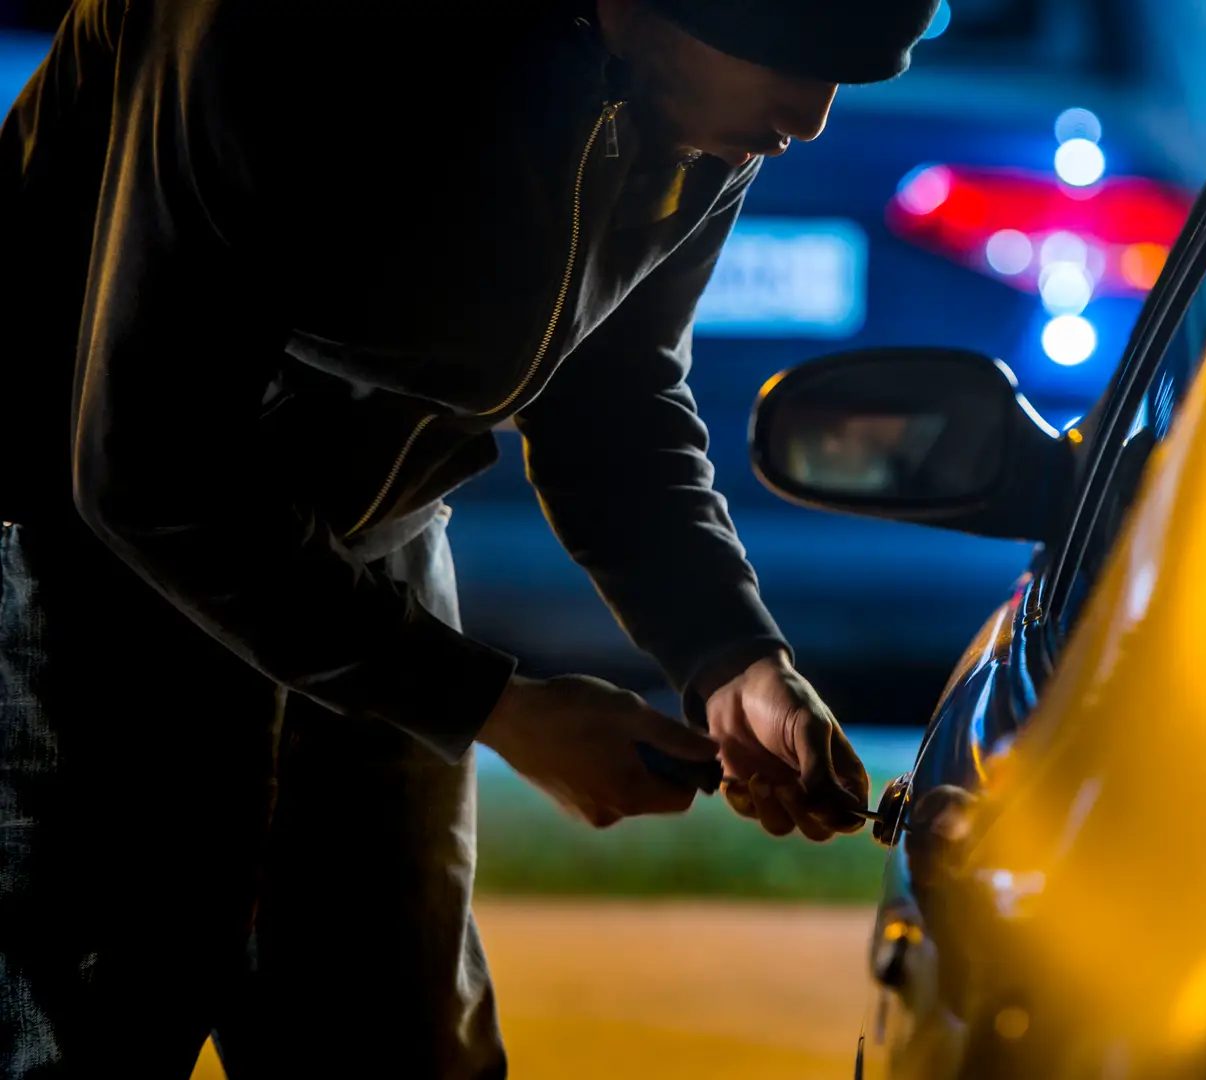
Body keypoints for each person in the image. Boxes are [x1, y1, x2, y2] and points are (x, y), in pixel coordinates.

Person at [0, 0, 940, 1075]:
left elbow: (615, 394)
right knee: (86, 1025)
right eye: (792, 53)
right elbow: (149, 465)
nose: (812, 119)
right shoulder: (273, 35)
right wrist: (495, 708)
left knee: (403, 1042)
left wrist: (730, 656)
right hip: (78, 566)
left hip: (374, 555)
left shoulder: (704, 109)